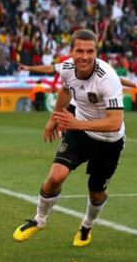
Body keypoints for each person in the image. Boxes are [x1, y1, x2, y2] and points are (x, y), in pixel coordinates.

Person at [13, 29, 125, 246]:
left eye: (90, 51)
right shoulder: (67, 68)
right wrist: (54, 118)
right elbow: (66, 90)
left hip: (109, 140)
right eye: (79, 51)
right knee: (55, 176)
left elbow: (115, 122)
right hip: (80, 132)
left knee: (96, 191)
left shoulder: (108, 78)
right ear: (71, 52)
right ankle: (39, 219)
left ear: (96, 52)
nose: (85, 56)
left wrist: (77, 123)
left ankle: (87, 225)